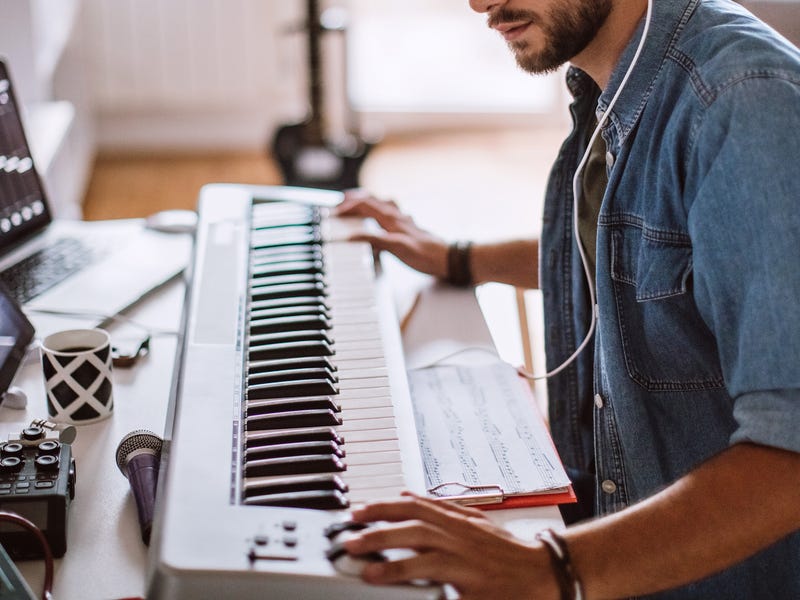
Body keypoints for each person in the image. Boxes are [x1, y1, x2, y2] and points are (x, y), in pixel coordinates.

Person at [334, 0, 800, 598]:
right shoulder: (624, 76)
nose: (479, 3)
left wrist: (555, 566)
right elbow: (643, 245)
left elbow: (791, 452)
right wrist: (458, 258)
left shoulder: (746, 105)